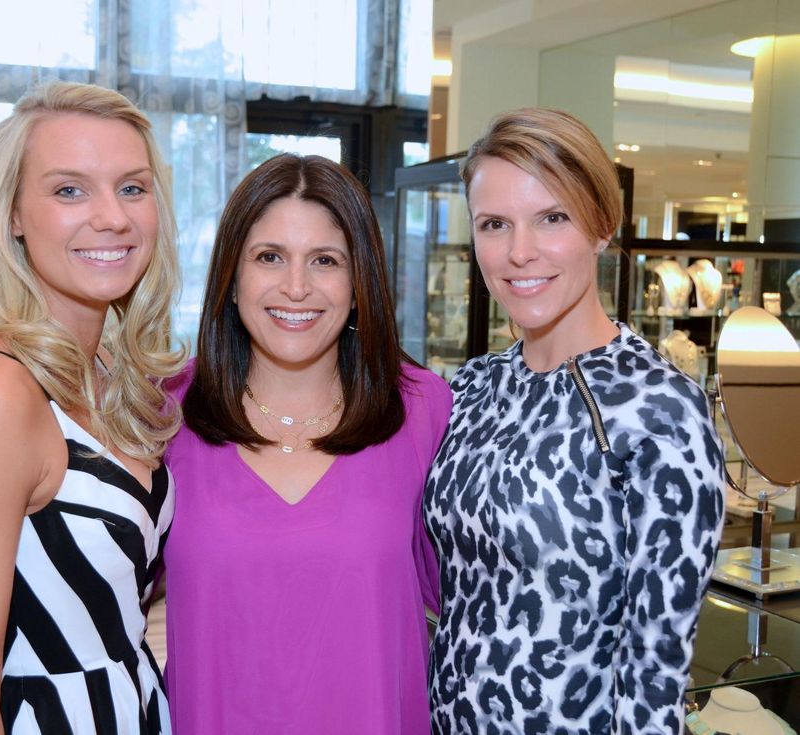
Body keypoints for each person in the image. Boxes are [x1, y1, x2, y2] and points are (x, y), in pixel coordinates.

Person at [423, 108, 725, 734]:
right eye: (495, 224)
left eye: (551, 218)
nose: (519, 251)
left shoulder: (660, 411)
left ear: (601, 226)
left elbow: (656, 670)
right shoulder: (476, 385)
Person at [0, 81, 182, 733]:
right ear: (11, 214)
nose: (112, 217)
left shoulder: (114, 375)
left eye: (132, 187)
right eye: (69, 190)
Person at [162, 153, 453, 734]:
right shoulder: (164, 411)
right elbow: (67, 539)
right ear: (232, 275)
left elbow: (495, 580)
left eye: (325, 260)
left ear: (359, 281)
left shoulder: (424, 409)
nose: (296, 288)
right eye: (269, 257)